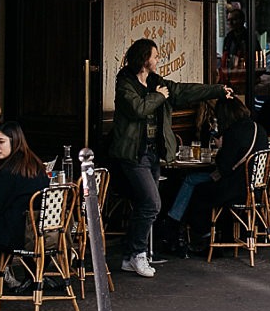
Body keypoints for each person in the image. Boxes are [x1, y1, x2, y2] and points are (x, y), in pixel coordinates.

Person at [108, 37, 228, 277]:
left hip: (152, 153)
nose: (158, 59)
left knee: (147, 204)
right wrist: (159, 96)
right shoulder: (125, 83)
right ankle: (138, 254)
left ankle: (130, 256)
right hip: (133, 154)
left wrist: (217, 90)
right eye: (155, 55)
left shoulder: (157, 82)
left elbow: (184, 91)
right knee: (152, 203)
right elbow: (137, 109)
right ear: (144, 60)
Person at [0, 121, 49, 298]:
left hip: (18, 233)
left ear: (14, 142)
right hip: (38, 230)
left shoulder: (9, 171)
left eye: (2, 142)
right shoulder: (35, 164)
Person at [178, 98, 262, 250]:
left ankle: (205, 238)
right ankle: (219, 236)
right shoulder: (258, 128)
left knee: (198, 193)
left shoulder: (233, 132)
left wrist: (221, 147)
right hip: (256, 189)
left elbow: (223, 167)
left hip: (236, 190)